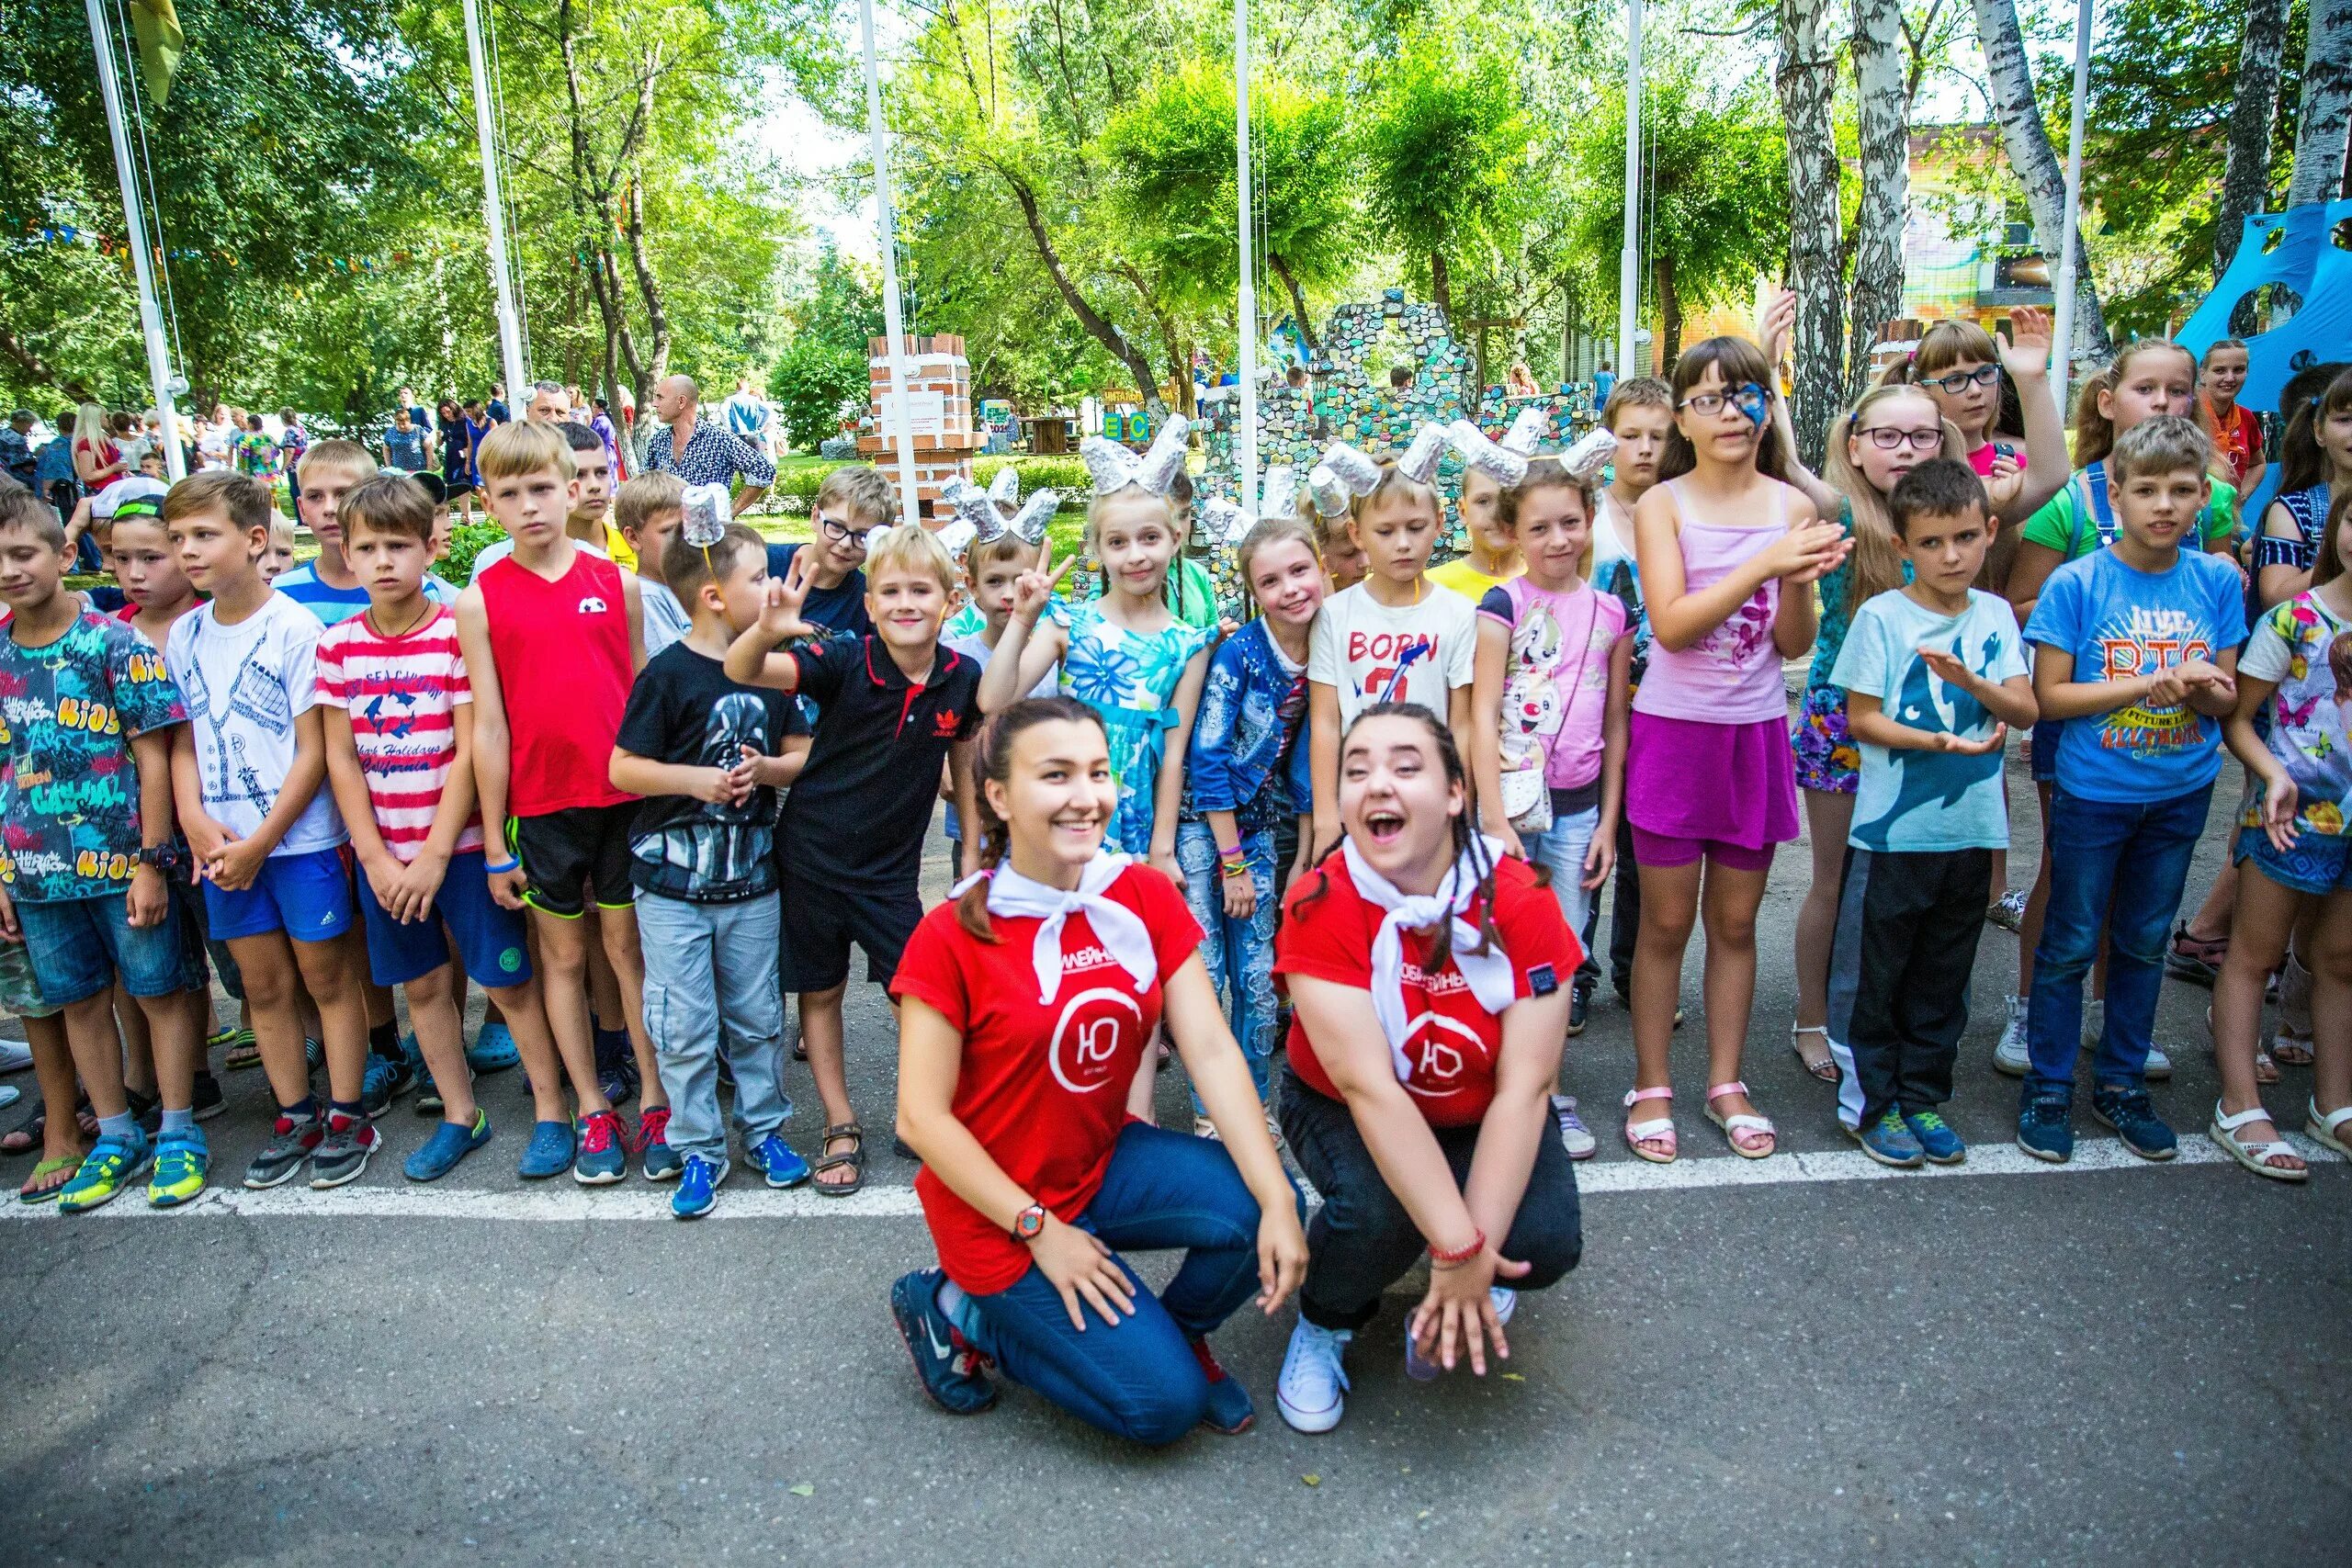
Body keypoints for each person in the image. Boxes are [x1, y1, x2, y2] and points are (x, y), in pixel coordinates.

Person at [885, 696, 1306, 1440]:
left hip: (1097, 1163)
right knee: (1160, 1411)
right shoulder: (950, 932)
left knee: (1264, 1205)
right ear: (998, 796)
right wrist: (1039, 1229)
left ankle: (1169, 1338)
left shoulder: (1138, 893)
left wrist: (1277, 1195)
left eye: (1098, 772)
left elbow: (1208, 1048)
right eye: (1056, 775)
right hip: (998, 1213)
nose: (1087, 796)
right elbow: (920, 1119)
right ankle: (958, 1311)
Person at [1272, 704, 1584, 1433]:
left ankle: (1464, 1283)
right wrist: (1458, 1245)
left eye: (1406, 766)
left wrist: (1470, 1254)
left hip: (1476, 1105)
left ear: (1454, 794)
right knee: (1378, 1217)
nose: (1377, 784)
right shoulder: (1320, 900)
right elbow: (1368, 1087)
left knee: (1544, 1239)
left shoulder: (1523, 898)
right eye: (1357, 770)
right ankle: (1325, 1318)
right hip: (1342, 1105)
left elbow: (1526, 1085)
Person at [1621, 335, 1846, 1163]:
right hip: (1674, 734)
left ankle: (1724, 1082)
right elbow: (1673, 627)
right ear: (1682, 413)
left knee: (1738, 922)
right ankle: (1651, 1084)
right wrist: (1767, 565)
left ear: (1767, 405)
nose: (1730, 411)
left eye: (1746, 393)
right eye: (1709, 397)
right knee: (1666, 921)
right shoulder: (1662, 504)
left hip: (1753, 734)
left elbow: (1791, 641)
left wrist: (1797, 573)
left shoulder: (1791, 507)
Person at [315, 475, 567, 1180]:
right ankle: (462, 1113)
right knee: (422, 988)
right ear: (345, 551)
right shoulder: (337, 647)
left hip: (452, 851)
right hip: (385, 860)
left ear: (431, 547)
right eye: (367, 547)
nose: (384, 560)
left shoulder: (456, 629)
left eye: (400, 545)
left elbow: (468, 750)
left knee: (508, 984)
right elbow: (340, 757)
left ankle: (552, 1110)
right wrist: (375, 857)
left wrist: (431, 856)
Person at [1998, 338, 2233, 1077]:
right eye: (2146, 389)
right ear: (2109, 399)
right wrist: (2101, 610)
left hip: (2173, 758)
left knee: (2140, 913)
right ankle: (2035, 1017)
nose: (2160, 402)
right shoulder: (2074, 502)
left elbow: (2222, 640)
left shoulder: (2215, 509)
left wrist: (2196, 679)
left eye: (2176, 390)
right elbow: (2023, 603)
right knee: (2069, 885)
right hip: (2084, 740)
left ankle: (2111, 1028)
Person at [725, 525, 982, 1194]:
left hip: (891, 874)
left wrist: (974, 856)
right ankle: (840, 1122)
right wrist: (766, 630)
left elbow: (961, 765)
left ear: (950, 601)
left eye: (920, 590)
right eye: (890, 590)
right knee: (822, 989)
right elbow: (744, 669)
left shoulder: (962, 677)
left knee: (919, 994)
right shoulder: (844, 659)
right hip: (812, 857)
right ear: (869, 604)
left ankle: (920, 1111)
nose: (905, 602)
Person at [161, 471, 379, 1190]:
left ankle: (347, 1112)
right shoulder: (185, 635)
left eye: (203, 535)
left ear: (255, 540)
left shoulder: (294, 629)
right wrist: (194, 820)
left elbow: (315, 750)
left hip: (298, 843)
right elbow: (184, 740)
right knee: (261, 986)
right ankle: (295, 1111)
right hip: (221, 848)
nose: (186, 551)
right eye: (178, 538)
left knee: (326, 977)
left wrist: (261, 842)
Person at [457, 420, 659, 1183]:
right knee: (563, 962)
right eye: (511, 494)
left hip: (623, 803)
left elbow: (643, 697)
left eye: (542, 488)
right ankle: (591, 1108)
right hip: (540, 812)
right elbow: (489, 726)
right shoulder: (480, 601)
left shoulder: (618, 582)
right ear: (489, 503)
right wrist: (496, 842)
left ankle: (656, 1103)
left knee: (628, 955)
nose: (531, 506)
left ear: (571, 488)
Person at [1824, 459, 2037, 1166]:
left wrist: (1972, 681)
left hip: (1972, 830)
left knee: (1945, 971)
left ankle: (1921, 1096)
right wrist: (1934, 738)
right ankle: (1872, 1103)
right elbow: (1861, 718)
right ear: (1904, 544)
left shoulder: (1998, 615)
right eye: (1934, 542)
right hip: (1893, 836)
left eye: (1966, 538)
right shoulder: (1882, 616)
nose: (1952, 556)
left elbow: (2025, 708)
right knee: (1877, 971)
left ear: (1990, 532)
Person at [0, 488, 199, 1211]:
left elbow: (154, 758)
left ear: (63, 555)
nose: (11, 570)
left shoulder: (114, 645)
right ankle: (115, 1131)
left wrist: (152, 860)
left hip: (122, 866)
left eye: (23, 553)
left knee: (158, 992)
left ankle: (178, 1127)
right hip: (35, 873)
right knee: (78, 1000)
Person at [610, 523, 809, 1216]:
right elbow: (622, 767)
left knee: (757, 1017)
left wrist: (771, 769)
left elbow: (801, 750)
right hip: (673, 891)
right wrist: (697, 781)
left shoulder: (773, 667)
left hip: (753, 883)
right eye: (761, 577)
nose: (774, 588)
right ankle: (698, 1146)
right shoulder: (665, 674)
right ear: (715, 596)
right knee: (683, 1025)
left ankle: (764, 1131)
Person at [983, 440, 1216, 900]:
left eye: (1150, 538)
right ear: (1097, 549)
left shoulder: (1188, 645)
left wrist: (1162, 849)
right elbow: (992, 700)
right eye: (1117, 542)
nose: (1135, 556)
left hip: (1133, 819)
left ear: (1175, 538)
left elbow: (1173, 755)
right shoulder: (1070, 624)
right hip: (1062, 807)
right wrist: (1024, 619)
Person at [1470, 457, 1630, 1111]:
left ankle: (1547, 1091)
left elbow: (1618, 721)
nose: (1558, 539)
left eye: (1570, 522)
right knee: (1497, 940)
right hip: (1510, 810)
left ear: (1591, 519)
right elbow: (1479, 710)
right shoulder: (1503, 603)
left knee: (1559, 949)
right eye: (1540, 528)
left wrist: (1608, 824)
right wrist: (1492, 818)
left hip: (1579, 811)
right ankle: (1492, 1083)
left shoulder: (1613, 611)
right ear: (1513, 532)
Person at [2210, 487, 2352, 1179]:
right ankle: (2240, 1103)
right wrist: (2271, 775)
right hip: (2289, 818)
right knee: (2254, 954)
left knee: (2340, 958)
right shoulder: (2296, 618)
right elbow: (2239, 715)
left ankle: (2335, 1104)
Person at [1177, 516, 1323, 1135]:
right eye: (1271, 580)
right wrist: (1230, 861)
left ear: (1320, 567)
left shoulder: (1329, 643)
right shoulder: (1240, 655)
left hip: (1261, 822)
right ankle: (1212, 1106)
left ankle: (1255, 1099)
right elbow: (1206, 755)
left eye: (1299, 570)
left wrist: (1307, 850)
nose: (1290, 588)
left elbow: (1311, 756)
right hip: (1199, 821)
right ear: (1252, 592)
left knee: (1260, 977)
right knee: (1207, 972)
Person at [1306, 438, 1477, 862]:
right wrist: (1327, 815)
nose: (1402, 544)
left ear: (1439, 523)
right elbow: (1326, 721)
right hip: (1361, 794)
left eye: (1415, 528)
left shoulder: (1459, 613)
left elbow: (1463, 723)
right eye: (1385, 531)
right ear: (1356, 534)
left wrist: (1461, 803)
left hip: (1429, 794)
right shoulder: (1333, 615)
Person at [1586, 378, 1673, 1008]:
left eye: (1658, 436)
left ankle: (1636, 973)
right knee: (1582, 843)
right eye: (1631, 435)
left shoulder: (1682, 509)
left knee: (1648, 850)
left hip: (1663, 707)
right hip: (1588, 707)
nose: (1644, 449)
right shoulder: (1587, 516)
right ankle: (1575, 976)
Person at [277, 439, 459, 624]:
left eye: (342, 494)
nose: (329, 508)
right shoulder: (282, 593)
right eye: (315, 497)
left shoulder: (415, 591)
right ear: (301, 508)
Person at [467, 422, 638, 579]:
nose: (594, 486)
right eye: (579, 474)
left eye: (601, 472)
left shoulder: (637, 547)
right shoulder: (490, 563)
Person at [2253, 364, 2352, 610]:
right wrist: (2338, 559)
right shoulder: (2296, 510)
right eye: (2345, 419)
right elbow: (2274, 600)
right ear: (2319, 432)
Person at [763, 465, 888, 642]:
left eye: (862, 536)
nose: (845, 544)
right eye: (836, 527)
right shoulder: (763, 563)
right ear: (815, 518)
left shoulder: (868, 598)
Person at [646, 375, 774, 513]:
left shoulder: (719, 439)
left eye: (660, 397)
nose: (654, 403)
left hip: (709, 533)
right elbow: (644, 484)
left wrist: (731, 512)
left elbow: (764, 471)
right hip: (668, 532)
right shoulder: (658, 441)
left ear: (681, 401)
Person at [1428, 447, 1523, 601]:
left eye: (1508, 500)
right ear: (1463, 511)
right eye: (1483, 501)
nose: (1497, 514)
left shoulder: (1547, 583)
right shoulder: (1432, 589)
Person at [616, 471, 692, 656]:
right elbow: (675, 672)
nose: (684, 539)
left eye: (689, 527)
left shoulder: (686, 587)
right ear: (633, 537)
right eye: (669, 531)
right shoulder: (647, 597)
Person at [2199, 337, 2267, 501]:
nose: (2230, 378)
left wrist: (2240, 496)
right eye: (2220, 370)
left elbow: (2258, 464)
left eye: (2238, 370)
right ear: (2203, 375)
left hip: (2227, 520)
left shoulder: (2246, 418)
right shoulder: (2186, 415)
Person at [438, 398, 478, 524]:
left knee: (463, 485)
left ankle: (467, 515)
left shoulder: (464, 420)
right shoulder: (444, 423)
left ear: (453, 409)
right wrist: (438, 437)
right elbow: (439, 443)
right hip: (450, 456)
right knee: (451, 485)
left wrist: (468, 458)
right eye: (443, 413)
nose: (446, 415)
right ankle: (452, 516)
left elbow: (470, 438)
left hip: (462, 455)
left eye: (448, 412)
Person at [383, 408, 429, 474]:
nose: (401, 426)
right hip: (398, 473)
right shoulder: (391, 432)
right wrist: (389, 467)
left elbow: (429, 447)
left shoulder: (418, 430)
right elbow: (386, 449)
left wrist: (429, 468)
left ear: (409, 421)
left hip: (418, 472)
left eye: (404, 423)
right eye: (398, 424)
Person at [1, 411, 38, 490]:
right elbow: (28, 468)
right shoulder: (18, 439)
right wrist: (38, 455)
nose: (29, 430)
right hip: (15, 483)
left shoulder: (1, 433)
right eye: (30, 426)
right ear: (23, 422)